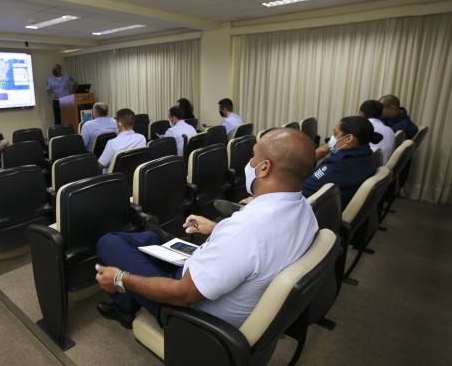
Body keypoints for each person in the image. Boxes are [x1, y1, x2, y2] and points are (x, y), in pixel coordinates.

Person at [94, 128, 318, 329]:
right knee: (155, 241)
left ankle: (127, 299)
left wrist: (121, 279)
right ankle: (134, 287)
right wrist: (216, 228)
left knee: (110, 242)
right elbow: (256, 249)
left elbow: (183, 295)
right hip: (214, 274)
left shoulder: (245, 231)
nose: (249, 162)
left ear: (264, 168)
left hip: (187, 314)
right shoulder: (305, 211)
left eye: (253, 155)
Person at [302, 116, 380, 208]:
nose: (331, 138)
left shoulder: (336, 166)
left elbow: (302, 191)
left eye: (335, 134)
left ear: (348, 138)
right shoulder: (368, 154)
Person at [359, 99, 395, 165]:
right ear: (381, 115)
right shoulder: (390, 130)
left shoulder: (360, 128)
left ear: (361, 113)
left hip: (366, 170)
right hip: (382, 171)